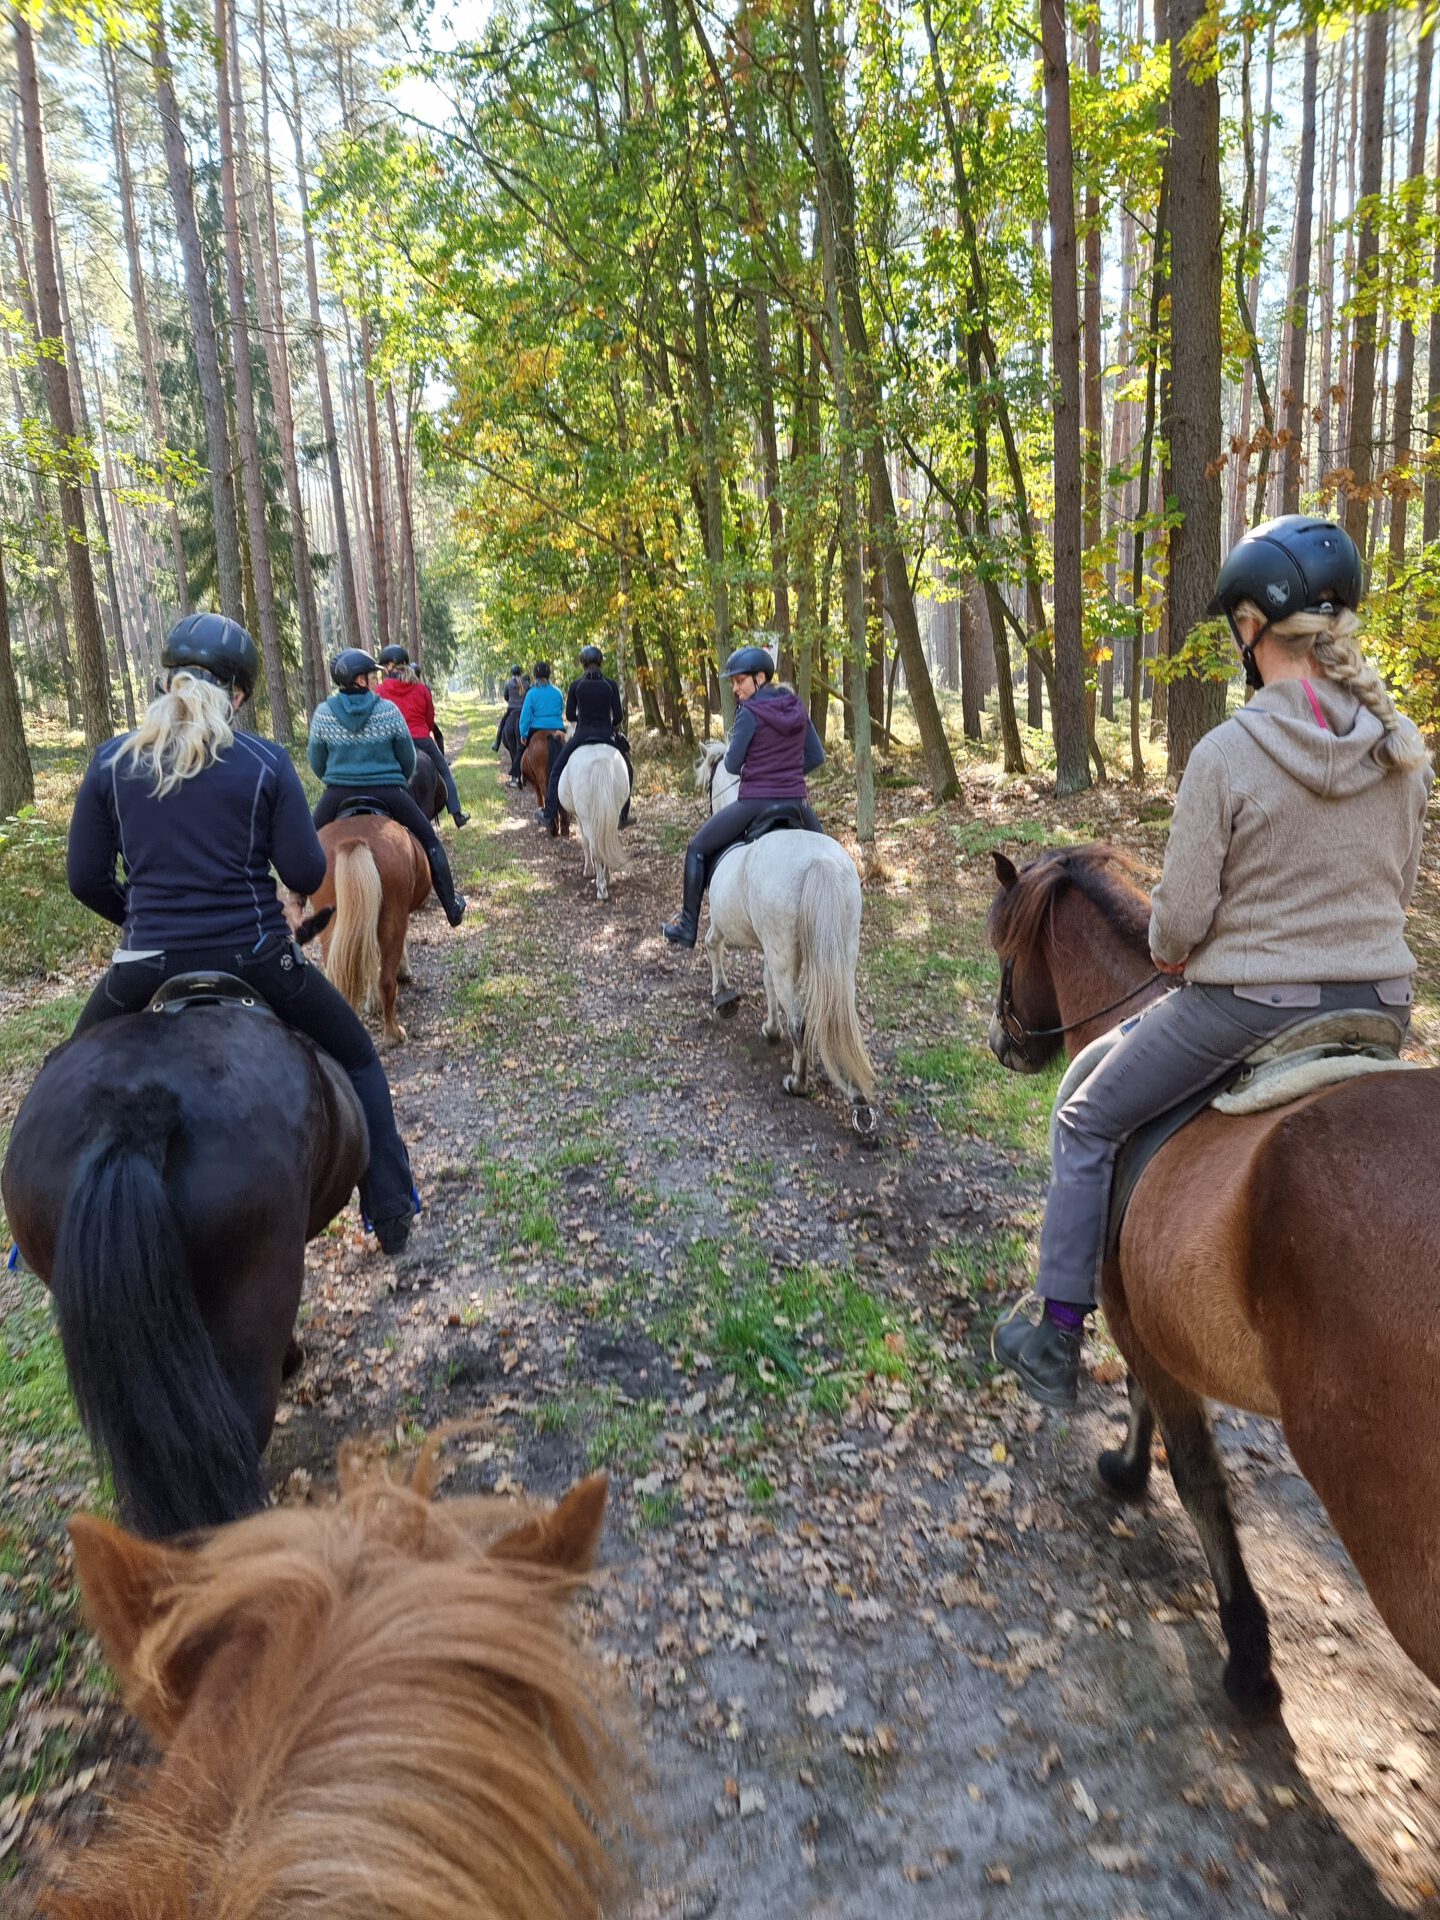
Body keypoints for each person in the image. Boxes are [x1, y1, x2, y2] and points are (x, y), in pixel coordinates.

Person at [995, 515, 1434, 1408]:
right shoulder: (1403, 749)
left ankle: (1057, 1333)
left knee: (1083, 1115)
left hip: (1248, 1009)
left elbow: (1177, 928)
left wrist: (1178, 949)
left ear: (1250, 626)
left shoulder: (1227, 753)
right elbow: (1397, 881)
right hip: (1382, 1005)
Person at [65, 613, 418, 1255]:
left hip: (144, 963)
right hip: (255, 955)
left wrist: (142, 922)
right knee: (359, 1057)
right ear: (239, 694)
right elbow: (306, 872)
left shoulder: (112, 760)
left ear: (165, 682)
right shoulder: (262, 761)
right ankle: (390, 1206)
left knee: (64, 1073)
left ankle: (41, 1231)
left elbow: (85, 878)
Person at [661, 644, 825, 947]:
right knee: (828, 859)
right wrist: (786, 771)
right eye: (733, 683)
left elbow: (733, 764)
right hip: (797, 805)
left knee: (697, 848)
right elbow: (816, 756)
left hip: (754, 804)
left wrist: (763, 771)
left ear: (759, 678)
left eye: (739, 681)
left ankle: (686, 926)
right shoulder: (797, 707)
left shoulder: (749, 713)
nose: (735, 688)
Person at [308, 649, 467, 928]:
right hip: (387, 790)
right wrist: (397, 780)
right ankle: (451, 907)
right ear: (359, 680)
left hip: (338, 793)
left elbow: (316, 761)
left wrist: (335, 779)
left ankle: (296, 905)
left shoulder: (323, 713)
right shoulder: (387, 710)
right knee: (430, 840)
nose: (375, 680)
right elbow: (408, 758)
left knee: (305, 844)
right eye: (371, 675)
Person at [540, 645, 634, 834]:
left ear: (583, 663)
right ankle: (623, 815)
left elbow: (570, 715)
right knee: (628, 769)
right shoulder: (610, 685)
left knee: (556, 770)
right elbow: (618, 717)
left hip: (582, 735)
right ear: (600, 662)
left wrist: (583, 717)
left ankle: (549, 814)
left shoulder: (576, 685)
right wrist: (607, 723)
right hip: (606, 735)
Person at [375, 644, 470, 828]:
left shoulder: (380, 690)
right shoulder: (421, 688)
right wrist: (421, 730)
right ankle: (457, 813)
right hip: (421, 739)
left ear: (389, 666)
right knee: (444, 771)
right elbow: (429, 718)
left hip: (393, 743)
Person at [518, 660, 565, 769]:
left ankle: (516, 774)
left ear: (535, 677)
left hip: (537, 728)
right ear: (549, 676)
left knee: (521, 751)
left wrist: (524, 734)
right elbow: (562, 708)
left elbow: (525, 716)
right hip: (558, 728)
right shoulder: (558, 692)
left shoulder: (531, 693)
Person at [499, 664, 529, 785]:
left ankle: (496, 743)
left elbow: (506, 697)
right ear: (521, 672)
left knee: (502, 725)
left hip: (511, 710)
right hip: (524, 711)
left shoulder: (508, 684)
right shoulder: (526, 684)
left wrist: (512, 701)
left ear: (512, 672)